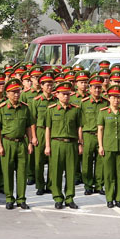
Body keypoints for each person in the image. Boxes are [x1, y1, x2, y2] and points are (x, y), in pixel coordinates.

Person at [0, 79, 35, 210]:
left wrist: (30, 142)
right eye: (13, 92)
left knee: (22, 171)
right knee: (7, 172)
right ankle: (9, 198)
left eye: (18, 92)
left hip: (21, 143)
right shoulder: (1, 108)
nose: (16, 95)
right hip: (7, 142)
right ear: (7, 94)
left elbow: (29, 126)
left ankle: (21, 198)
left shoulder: (25, 108)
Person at [44, 81, 83, 209]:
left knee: (71, 172)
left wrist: (80, 143)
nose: (66, 97)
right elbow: (48, 129)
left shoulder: (75, 110)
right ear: (57, 95)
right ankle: (58, 197)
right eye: (63, 94)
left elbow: (79, 128)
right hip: (56, 143)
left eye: (68, 94)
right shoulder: (51, 110)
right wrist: (47, 146)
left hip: (71, 143)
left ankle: (70, 198)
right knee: (56, 172)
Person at [97, 85, 120, 208]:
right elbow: (100, 130)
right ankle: (109, 198)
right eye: (114, 97)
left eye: (118, 98)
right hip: (108, 146)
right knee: (109, 174)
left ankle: (119, 199)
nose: (116, 100)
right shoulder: (103, 113)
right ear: (109, 98)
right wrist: (100, 146)